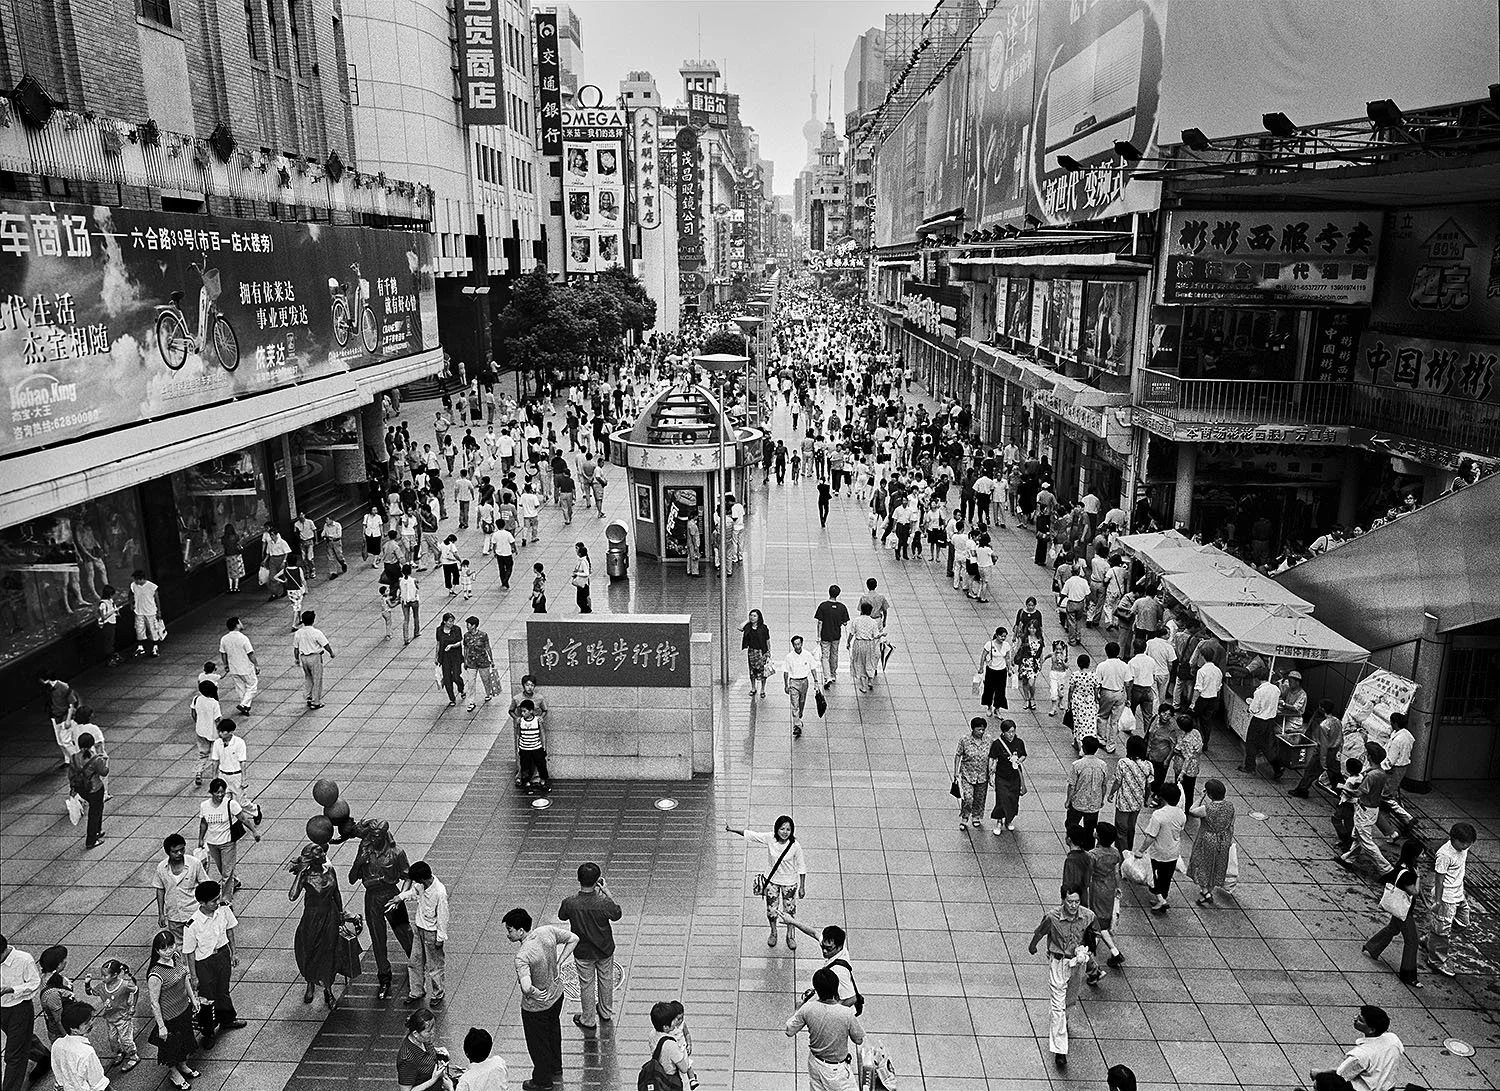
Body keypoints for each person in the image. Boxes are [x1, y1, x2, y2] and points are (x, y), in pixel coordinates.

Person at [503, 908, 577, 1091]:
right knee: (553, 1031)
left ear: (521, 930)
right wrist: (560, 962)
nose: (508, 934)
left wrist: (536, 993)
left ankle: (542, 1080)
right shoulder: (547, 931)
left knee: (538, 1043)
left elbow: (527, 986)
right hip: (557, 995)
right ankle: (555, 1066)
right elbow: (573, 938)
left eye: (510, 930)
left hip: (536, 1008)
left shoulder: (522, 956)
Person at [1028, 888, 1095, 1070]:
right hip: (1059, 962)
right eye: (1070, 901)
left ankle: (1063, 1023)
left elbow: (1091, 935)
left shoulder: (1088, 916)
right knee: (1057, 1006)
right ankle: (1060, 1050)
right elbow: (1040, 932)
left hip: (1077, 964)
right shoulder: (1052, 917)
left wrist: (1086, 952)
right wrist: (1033, 946)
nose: (1073, 905)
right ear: (1063, 900)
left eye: (1076, 902)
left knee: (1070, 1000)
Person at [557, 862, 622, 1036]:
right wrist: (607, 893)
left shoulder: (570, 903)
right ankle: (606, 1011)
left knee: (586, 984)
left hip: (583, 950)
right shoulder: (603, 903)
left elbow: (561, 915)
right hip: (604, 948)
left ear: (579, 879)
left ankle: (588, 1018)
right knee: (606, 979)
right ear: (597, 881)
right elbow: (617, 914)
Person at [181, 880, 247, 1043]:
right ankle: (208, 1031)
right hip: (203, 963)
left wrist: (234, 953)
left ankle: (227, 1019)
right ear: (202, 903)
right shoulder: (192, 924)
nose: (217, 903)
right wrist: (194, 977)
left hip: (222, 955)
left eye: (218, 898)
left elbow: (230, 930)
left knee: (223, 990)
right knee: (207, 997)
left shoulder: (223, 909)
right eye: (213, 901)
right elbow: (189, 953)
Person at [726, 817, 806, 949]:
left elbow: (802, 866)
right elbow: (752, 835)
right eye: (782, 829)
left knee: (789, 912)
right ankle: (773, 932)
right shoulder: (770, 838)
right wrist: (732, 830)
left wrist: (802, 887)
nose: (785, 832)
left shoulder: (795, 846)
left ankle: (790, 935)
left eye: (788, 829)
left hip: (790, 883)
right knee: (771, 911)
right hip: (772, 881)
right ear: (776, 829)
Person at [783, 967, 865, 1091]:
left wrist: (799, 1009)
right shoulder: (846, 1013)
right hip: (836, 1070)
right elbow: (858, 1040)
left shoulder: (807, 1009)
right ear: (836, 987)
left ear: (817, 989)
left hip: (815, 1063)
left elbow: (789, 1030)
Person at [289, 842, 345, 1009]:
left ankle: (328, 990)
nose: (323, 855)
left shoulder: (330, 870)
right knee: (310, 949)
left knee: (328, 951)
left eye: (322, 852)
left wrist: (341, 914)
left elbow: (336, 892)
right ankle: (310, 982)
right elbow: (292, 896)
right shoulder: (306, 876)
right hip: (312, 917)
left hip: (330, 914)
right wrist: (300, 873)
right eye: (319, 854)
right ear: (311, 859)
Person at [1362, 839, 1423, 988]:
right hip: (1403, 911)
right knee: (1412, 941)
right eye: (1420, 853)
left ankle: (1372, 947)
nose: (1423, 855)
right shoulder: (1409, 874)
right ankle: (1408, 974)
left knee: (1393, 929)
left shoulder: (1400, 867)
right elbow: (1415, 892)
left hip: (1397, 908)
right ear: (1414, 855)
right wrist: (1419, 877)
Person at [144, 931, 202, 1090]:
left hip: (184, 1008)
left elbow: (185, 979)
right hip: (169, 1016)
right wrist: (161, 1026)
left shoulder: (176, 957)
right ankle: (174, 1072)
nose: (168, 950)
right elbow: (154, 1003)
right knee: (171, 1047)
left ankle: (182, 1065)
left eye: (171, 946)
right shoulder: (155, 974)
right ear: (157, 951)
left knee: (185, 1040)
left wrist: (193, 998)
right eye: (164, 948)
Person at [1308, 1006, 1404, 1091]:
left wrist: (1318, 1072)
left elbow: (1341, 1073)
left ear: (1371, 1030)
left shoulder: (1361, 1054)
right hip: (1388, 1087)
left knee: (1323, 1079)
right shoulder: (1393, 1039)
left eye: (1360, 1020)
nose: (1355, 1019)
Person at [394, 861, 449, 1008]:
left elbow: (443, 916)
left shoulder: (439, 892)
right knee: (415, 962)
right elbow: (413, 893)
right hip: (419, 929)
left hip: (432, 932)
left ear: (422, 879)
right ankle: (416, 991)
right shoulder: (421, 885)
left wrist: (440, 938)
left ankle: (438, 993)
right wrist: (401, 897)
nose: (416, 884)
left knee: (434, 966)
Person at [1426, 822, 1476, 978]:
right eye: (1463, 842)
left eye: (1469, 842)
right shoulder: (1444, 855)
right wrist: (1438, 901)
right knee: (1442, 930)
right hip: (1446, 897)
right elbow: (1439, 880)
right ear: (1453, 838)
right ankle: (1436, 960)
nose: (1466, 845)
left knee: (1462, 922)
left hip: (1458, 894)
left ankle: (1430, 939)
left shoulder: (1464, 848)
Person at [0, 934, 44, 1091]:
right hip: (2, 1009)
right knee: (21, 1039)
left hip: (19, 1008)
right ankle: (43, 1057)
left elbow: (34, 983)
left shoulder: (24, 959)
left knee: (14, 1055)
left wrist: (12, 989)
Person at [1186, 779, 1236, 906]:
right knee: (1217, 866)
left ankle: (1205, 892)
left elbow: (1192, 810)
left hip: (1207, 839)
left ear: (1209, 794)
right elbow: (1231, 823)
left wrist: (1200, 797)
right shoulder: (1230, 806)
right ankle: (1208, 892)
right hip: (1224, 840)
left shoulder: (1207, 808)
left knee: (1200, 863)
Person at [1138, 784, 1186, 913]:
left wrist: (1140, 851)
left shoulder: (1158, 815)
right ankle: (1162, 898)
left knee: (1153, 877)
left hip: (1158, 852)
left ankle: (1161, 900)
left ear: (1162, 798)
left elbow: (1151, 836)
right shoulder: (1181, 813)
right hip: (1174, 852)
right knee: (1166, 878)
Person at [91, 959, 140, 1072]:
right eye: (102, 975)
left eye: (105, 975)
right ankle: (120, 1052)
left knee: (125, 1039)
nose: (102, 978)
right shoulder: (103, 986)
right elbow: (92, 992)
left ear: (115, 975)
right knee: (112, 1038)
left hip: (123, 1017)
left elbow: (136, 990)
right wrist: (87, 984)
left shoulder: (124, 985)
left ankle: (133, 1056)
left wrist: (132, 1006)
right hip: (110, 1018)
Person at [1088, 823, 1125, 966]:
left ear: (1098, 836)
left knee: (1098, 922)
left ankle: (1114, 951)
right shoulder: (1115, 852)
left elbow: (1089, 873)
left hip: (1097, 888)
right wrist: (1117, 887)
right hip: (1109, 886)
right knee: (1103, 917)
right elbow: (1116, 872)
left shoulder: (1093, 855)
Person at [1290, 699, 1344, 798]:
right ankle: (1344, 793)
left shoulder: (1324, 725)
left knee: (1310, 772)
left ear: (1322, 709)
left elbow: (1323, 745)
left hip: (1324, 753)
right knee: (1335, 774)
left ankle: (1302, 790)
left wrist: (1323, 761)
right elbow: (1341, 739)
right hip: (1334, 751)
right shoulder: (1337, 721)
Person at [1109, 735, 1152, 846]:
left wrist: (1111, 793)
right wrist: (1147, 799)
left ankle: (1122, 853)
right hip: (1137, 801)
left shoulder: (1123, 763)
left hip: (1123, 801)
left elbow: (1118, 781)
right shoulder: (1148, 765)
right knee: (1131, 827)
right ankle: (1129, 849)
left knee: (1121, 829)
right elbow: (1148, 785)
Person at [68, 732, 109, 850]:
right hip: (95, 788)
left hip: (81, 789)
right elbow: (104, 772)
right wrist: (104, 760)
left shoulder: (74, 757)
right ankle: (92, 839)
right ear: (92, 744)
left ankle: (97, 831)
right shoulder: (95, 759)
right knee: (95, 812)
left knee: (95, 810)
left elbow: (70, 774)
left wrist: (73, 788)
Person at [1242, 669, 1286, 779]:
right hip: (1270, 721)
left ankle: (1249, 767)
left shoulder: (1259, 692)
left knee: (1251, 744)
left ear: (1257, 679)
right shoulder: (1276, 689)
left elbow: (1254, 709)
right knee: (1267, 746)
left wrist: (1250, 706)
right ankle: (1278, 767)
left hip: (1258, 721)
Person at [646, 1002, 698, 1091]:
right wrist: (683, 1050)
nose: (676, 1022)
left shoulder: (652, 1034)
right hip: (671, 1080)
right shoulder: (671, 1045)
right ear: (666, 1027)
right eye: (673, 1020)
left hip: (659, 1076)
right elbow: (684, 1068)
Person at [952, 717, 991, 831]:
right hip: (967, 774)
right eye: (979, 729)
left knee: (980, 798)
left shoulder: (988, 740)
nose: (981, 732)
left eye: (983, 729)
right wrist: (955, 772)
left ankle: (976, 816)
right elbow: (958, 755)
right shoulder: (965, 740)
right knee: (968, 797)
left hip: (983, 775)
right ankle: (964, 817)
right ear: (973, 729)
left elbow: (992, 755)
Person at [395, 1008, 449, 1091]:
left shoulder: (423, 1040)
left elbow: (426, 1052)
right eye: (428, 1031)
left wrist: (437, 1051)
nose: (432, 1032)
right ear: (415, 1033)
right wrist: (433, 1079)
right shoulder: (407, 1059)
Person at [988, 719, 1026, 834]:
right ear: (1003, 732)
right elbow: (992, 757)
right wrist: (991, 774)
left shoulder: (1019, 742)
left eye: (1013, 731)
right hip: (1002, 776)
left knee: (1013, 799)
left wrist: (1019, 761)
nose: (1011, 734)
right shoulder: (997, 744)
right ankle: (999, 822)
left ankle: (1009, 820)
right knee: (1001, 799)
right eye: (1009, 732)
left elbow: (1024, 754)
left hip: (1015, 776)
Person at [781, 635, 822, 740]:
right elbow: (785, 671)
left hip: (804, 681)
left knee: (802, 702)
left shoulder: (807, 655)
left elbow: (813, 668)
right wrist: (786, 685)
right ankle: (797, 725)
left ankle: (799, 717)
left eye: (798, 644)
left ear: (802, 644)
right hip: (793, 682)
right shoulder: (789, 657)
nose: (797, 646)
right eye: (795, 644)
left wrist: (816, 681)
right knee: (795, 704)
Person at [1065, 737, 1108, 834]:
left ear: (1083, 748)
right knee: (1090, 830)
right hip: (1094, 804)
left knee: (1071, 825)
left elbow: (1072, 785)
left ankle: (1075, 843)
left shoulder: (1077, 765)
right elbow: (1103, 785)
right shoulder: (1103, 765)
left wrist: (1068, 800)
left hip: (1078, 802)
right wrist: (1101, 799)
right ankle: (1088, 847)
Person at [218, 617, 258, 717]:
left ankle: (245, 707)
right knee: (252, 685)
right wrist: (256, 665)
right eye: (240, 622)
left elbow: (223, 653)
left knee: (240, 688)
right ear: (237, 625)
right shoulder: (243, 638)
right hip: (245, 667)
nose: (242, 624)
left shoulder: (224, 639)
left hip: (233, 668)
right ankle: (244, 704)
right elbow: (250, 653)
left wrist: (226, 665)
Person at [813, 585, 850, 686]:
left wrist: (818, 636)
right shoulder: (842, 607)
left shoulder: (823, 606)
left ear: (829, 592)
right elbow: (845, 622)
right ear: (838, 594)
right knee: (834, 654)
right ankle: (833, 674)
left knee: (825, 656)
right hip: (836, 635)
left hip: (825, 635)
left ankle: (827, 677)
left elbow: (820, 622)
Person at [845, 602, 882, 693]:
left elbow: (852, 633)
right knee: (870, 662)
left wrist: (848, 642)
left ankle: (863, 686)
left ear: (861, 610)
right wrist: (882, 635)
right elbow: (876, 635)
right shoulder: (873, 622)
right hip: (869, 644)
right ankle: (870, 680)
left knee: (859, 663)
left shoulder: (856, 620)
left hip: (859, 643)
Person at [433, 613, 466, 709]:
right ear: (444, 622)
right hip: (445, 657)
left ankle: (461, 688)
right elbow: (438, 643)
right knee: (447, 678)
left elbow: (460, 642)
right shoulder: (439, 630)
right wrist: (436, 656)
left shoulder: (457, 629)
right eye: (450, 621)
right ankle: (451, 698)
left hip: (455, 656)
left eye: (453, 621)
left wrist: (452, 646)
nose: (452, 623)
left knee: (456, 676)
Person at [975, 627, 1011, 715]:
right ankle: (989, 706)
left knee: (1001, 690)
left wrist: (1009, 669)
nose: (1003, 638)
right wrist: (981, 667)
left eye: (1004, 636)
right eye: (1001, 636)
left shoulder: (1006, 645)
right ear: (997, 635)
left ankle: (997, 708)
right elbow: (983, 656)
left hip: (1002, 671)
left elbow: (1007, 658)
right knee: (989, 689)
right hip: (991, 670)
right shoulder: (989, 644)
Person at [129, 569, 164, 656]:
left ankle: (155, 647)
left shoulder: (152, 586)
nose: (135, 581)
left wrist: (159, 611)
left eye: (136, 579)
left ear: (141, 579)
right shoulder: (133, 586)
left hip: (150, 611)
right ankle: (140, 647)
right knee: (139, 629)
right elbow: (130, 594)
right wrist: (131, 604)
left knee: (153, 629)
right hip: (139, 611)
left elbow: (157, 598)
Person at [740, 610, 772, 700]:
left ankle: (762, 689)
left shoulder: (763, 628)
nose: (752, 617)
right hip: (751, 651)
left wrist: (769, 652)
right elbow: (740, 627)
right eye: (751, 615)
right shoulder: (748, 627)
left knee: (763, 671)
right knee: (752, 671)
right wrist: (748, 621)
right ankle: (753, 688)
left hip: (761, 652)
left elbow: (767, 640)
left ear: (759, 617)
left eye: (754, 616)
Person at [399, 565, 422, 645]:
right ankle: (416, 631)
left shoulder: (401, 580)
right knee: (416, 616)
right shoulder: (413, 580)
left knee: (406, 619)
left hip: (404, 601)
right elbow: (417, 588)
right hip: (414, 600)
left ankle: (406, 638)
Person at [571, 543, 592, 613]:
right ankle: (585, 610)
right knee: (581, 599)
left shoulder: (583, 562)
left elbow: (586, 573)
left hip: (583, 584)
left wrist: (577, 573)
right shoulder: (582, 560)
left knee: (580, 600)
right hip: (582, 583)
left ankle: (585, 610)